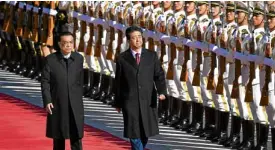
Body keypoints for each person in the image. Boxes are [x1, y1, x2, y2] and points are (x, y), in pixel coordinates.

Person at [113, 26, 167, 150]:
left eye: (139, 37)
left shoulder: (151, 56)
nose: (137, 40)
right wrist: (118, 102)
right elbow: (119, 81)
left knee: (145, 132)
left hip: (147, 99)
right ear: (128, 40)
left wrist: (162, 91)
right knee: (134, 132)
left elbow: (158, 74)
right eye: (134, 38)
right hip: (130, 100)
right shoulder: (122, 58)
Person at [41, 31, 84, 150]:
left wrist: (79, 97)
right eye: (65, 43)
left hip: (75, 104)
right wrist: (47, 100)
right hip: (58, 102)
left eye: (71, 42)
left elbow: (80, 80)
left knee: (76, 137)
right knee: (58, 136)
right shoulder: (51, 60)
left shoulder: (78, 58)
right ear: (59, 44)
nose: (68, 45)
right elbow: (45, 81)